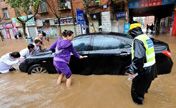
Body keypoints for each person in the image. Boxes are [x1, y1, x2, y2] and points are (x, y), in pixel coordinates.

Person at [127, 22, 157, 105]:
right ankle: (143, 93)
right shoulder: (146, 37)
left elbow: (139, 58)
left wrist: (132, 71)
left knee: (136, 91)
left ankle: (138, 103)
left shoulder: (138, 40)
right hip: (152, 67)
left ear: (133, 31)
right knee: (145, 86)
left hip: (144, 70)